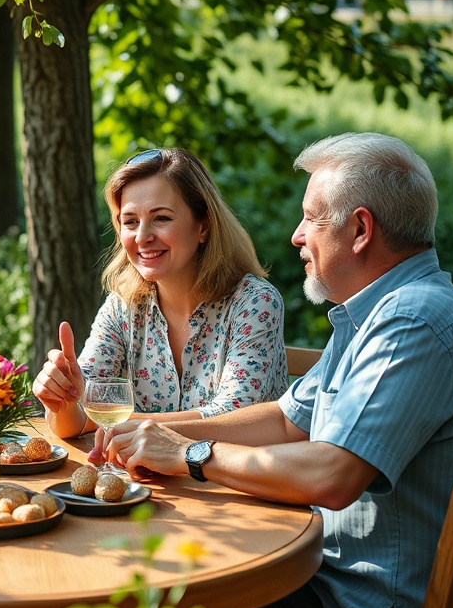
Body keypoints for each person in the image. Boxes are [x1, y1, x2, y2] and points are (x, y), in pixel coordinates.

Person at [84, 133, 453, 608]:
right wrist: (154, 433)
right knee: (133, 588)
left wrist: (193, 455)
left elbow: (333, 475)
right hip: (337, 590)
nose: (296, 235)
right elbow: (286, 420)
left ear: (360, 230)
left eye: (311, 218)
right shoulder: (372, 315)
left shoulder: (412, 322)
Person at [32, 147, 288, 445]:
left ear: (203, 226)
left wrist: (118, 421)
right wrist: (63, 401)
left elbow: (235, 419)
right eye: (130, 222)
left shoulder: (254, 303)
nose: (142, 236)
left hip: (239, 474)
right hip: (148, 475)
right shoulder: (123, 305)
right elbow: (77, 419)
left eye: (161, 218)